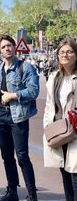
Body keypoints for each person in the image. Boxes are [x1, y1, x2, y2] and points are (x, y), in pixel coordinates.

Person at [0, 35, 39, 201]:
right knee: (7, 156)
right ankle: (12, 192)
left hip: (18, 117)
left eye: (9, 45)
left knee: (22, 156)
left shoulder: (25, 67)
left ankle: (32, 194)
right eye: (3, 47)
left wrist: (13, 95)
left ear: (15, 47)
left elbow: (33, 91)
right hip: (0, 116)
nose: (7, 49)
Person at [43, 37, 77, 201]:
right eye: (62, 52)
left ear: (76, 55)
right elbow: (49, 104)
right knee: (64, 172)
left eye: (70, 51)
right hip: (59, 131)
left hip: (75, 132)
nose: (65, 55)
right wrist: (46, 126)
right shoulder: (54, 76)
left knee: (76, 174)